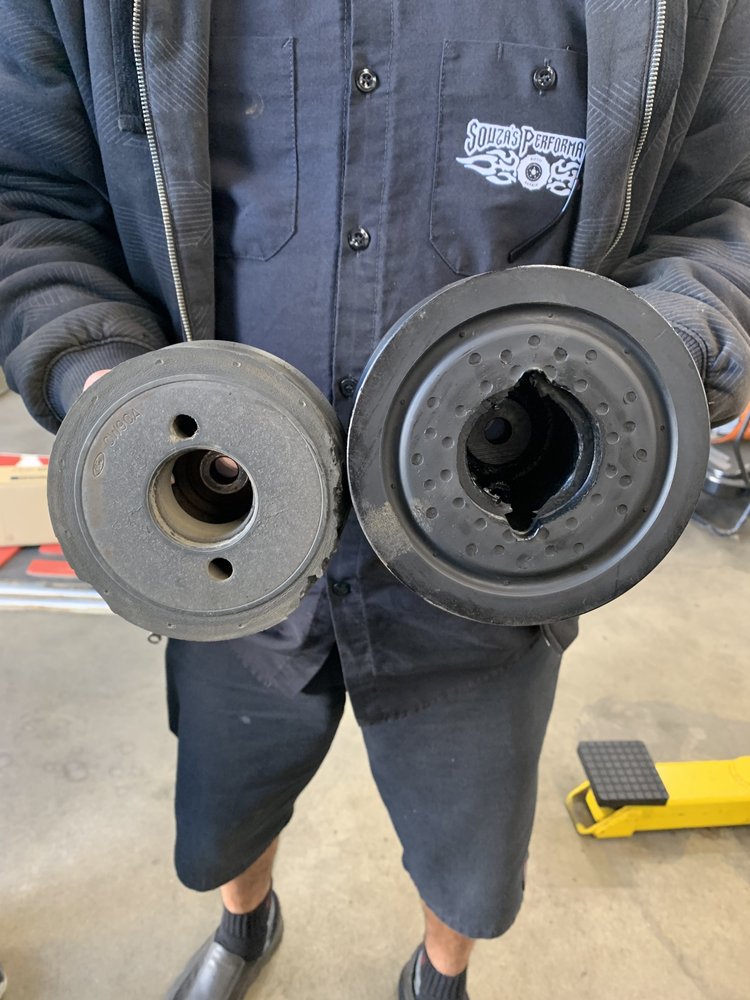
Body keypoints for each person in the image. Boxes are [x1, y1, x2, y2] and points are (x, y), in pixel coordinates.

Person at [2, 3, 750, 998]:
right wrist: (107, 385)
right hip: (224, 548)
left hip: (496, 566)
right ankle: (244, 921)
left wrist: (659, 357)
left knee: (468, 846)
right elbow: (30, 193)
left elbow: (727, 201)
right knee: (229, 799)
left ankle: (440, 977)